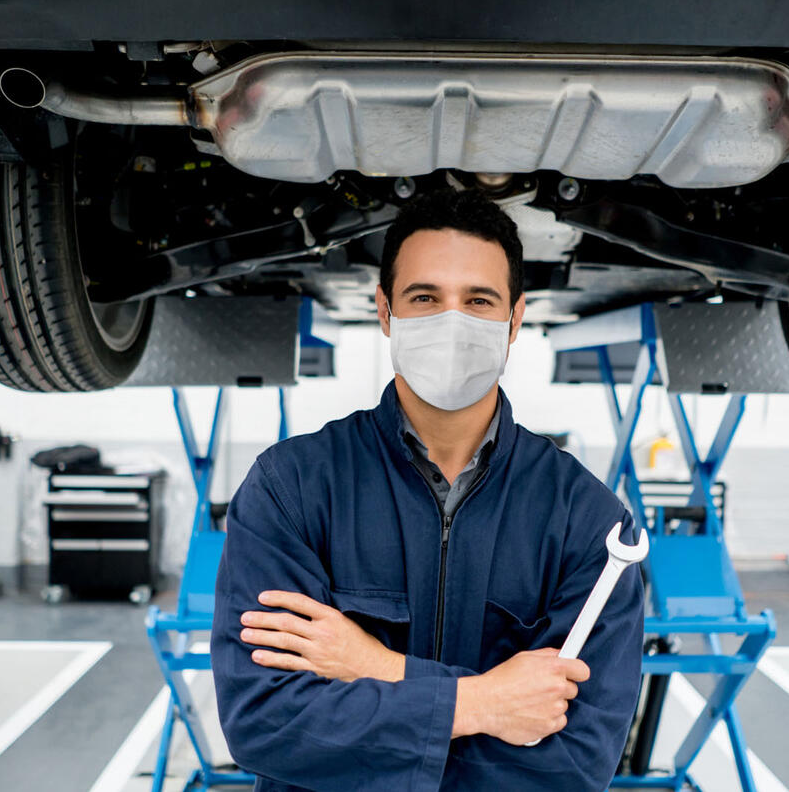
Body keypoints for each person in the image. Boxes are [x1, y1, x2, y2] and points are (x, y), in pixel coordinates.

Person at [211, 188, 645, 792]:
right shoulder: (293, 487)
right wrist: (480, 703)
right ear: (386, 312)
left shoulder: (589, 520)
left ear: (515, 319)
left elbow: (572, 766)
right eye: (425, 297)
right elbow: (267, 724)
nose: (452, 321)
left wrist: (375, 669)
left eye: (478, 300)